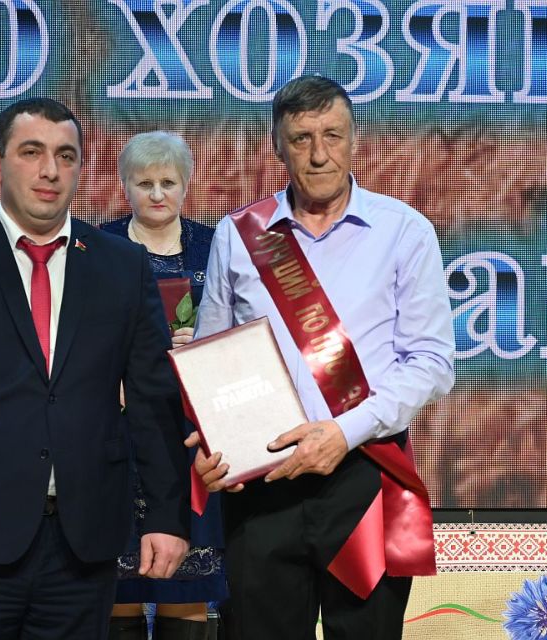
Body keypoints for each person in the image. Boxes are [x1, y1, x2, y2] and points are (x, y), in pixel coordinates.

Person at [0, 97, 190, 640]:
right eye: (32, 152)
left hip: (84, 544)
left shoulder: (123, 266)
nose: (50, 170)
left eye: (66, 156)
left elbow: (153, 404)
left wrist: (166, 517)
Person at [188, 76, 456, 640]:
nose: (318, 154)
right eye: (301, 138)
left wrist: (343, 431)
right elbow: (211, 361)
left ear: (355, 139)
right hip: (262, 482)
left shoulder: (403, 231)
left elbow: (432, 363)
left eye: (332, 135)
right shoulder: (238, 234)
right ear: (277, 147)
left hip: (364, 475)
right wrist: (214, 443)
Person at [101, 131, 227, 640]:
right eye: (144, 183)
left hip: (197, 433)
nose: (157, 194)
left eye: (168, 183)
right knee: (119, 588)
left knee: (186, 587)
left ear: (186, 185)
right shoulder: (98, 246)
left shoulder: (217, 246)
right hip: (117, 432)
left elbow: (248, 328)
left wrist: (207, 340)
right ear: (125, 187)